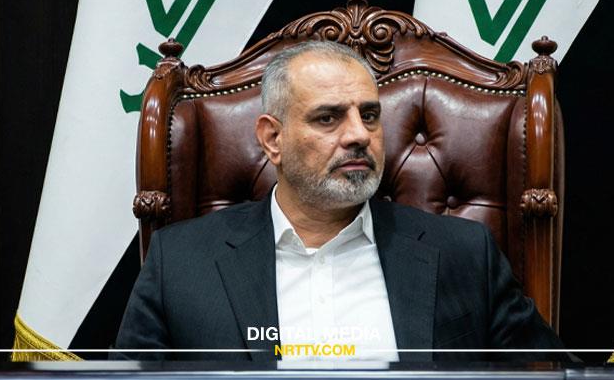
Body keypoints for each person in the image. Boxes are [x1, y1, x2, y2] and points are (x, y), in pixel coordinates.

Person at [112, 41, 569, 362]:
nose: (359, 136)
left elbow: (553, 373)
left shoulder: (464, 254)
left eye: (369, 115)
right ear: (273, 139)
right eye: (328, 118)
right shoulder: (180, 264)